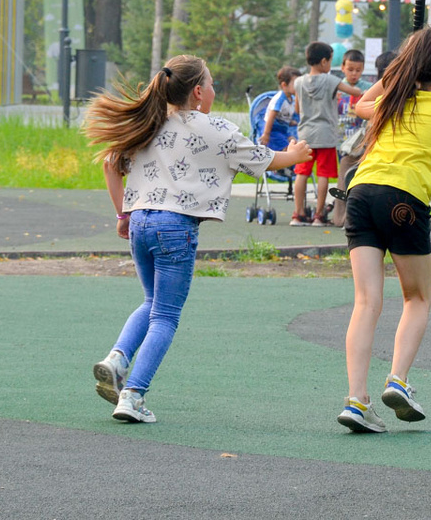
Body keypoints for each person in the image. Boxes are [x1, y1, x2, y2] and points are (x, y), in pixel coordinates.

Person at [82, 55, 311, 423]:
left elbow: (110, 164)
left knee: (151, 301)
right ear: (200, 91)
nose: (215, 90)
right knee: (166, 316)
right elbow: (264, 160)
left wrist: (122, 214)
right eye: (213, 83)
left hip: (140, 221)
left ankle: (118, 358)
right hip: (176, 227)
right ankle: (133, 394)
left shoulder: (149, 123)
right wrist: (296, 154)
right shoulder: (215, 128)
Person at [337, 27, 431, 433]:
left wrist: (395, 72)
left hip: (360, 194)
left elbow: (361, 103)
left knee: (366, 302)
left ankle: (356, 401)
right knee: (417, 298)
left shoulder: (392, 102)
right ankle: (398, 380)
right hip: (404, 201)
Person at [292, 42, 363, 226]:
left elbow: (298, 108)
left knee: (302, 173)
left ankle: (298, 214)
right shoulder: (330, 80)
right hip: (326, 136)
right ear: (324, 61)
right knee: (323, 174)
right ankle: (318, 215)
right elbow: (354, 91)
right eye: (331, 60)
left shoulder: (298, 82)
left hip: (305, 134)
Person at [330, 49, 376, 226]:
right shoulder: (336, 87)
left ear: (363, 69)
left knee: (358, 177)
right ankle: (341, 216)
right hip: (341, 140)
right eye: (350, 69)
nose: (354, 73)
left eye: (358, 70)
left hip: (360, 140)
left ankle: (355, 214)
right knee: (343, 177)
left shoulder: (367, 89)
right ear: (342, 67)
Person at [259, 65, 300, 150]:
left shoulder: (292, 99)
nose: (298, 87)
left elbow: (292, 113)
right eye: (296, 84)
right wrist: (266, 134)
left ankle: (290, 162)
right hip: (273, 130)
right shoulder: (280, 99)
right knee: (286, 149)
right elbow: (271, 116)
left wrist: (290, 121)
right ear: (284, 85)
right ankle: (285, 162)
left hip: (283, 130)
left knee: (294, 143)